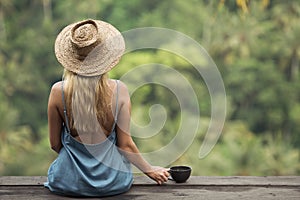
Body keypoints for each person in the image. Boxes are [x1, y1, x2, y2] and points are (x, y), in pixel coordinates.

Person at [44, 19, 169, 197]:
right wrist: (150, 170)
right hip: (113, 182)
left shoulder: (58, 92)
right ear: (105, 58)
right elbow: (125, 145)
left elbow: (55, 144)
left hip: (68, 183)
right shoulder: (119, 90)